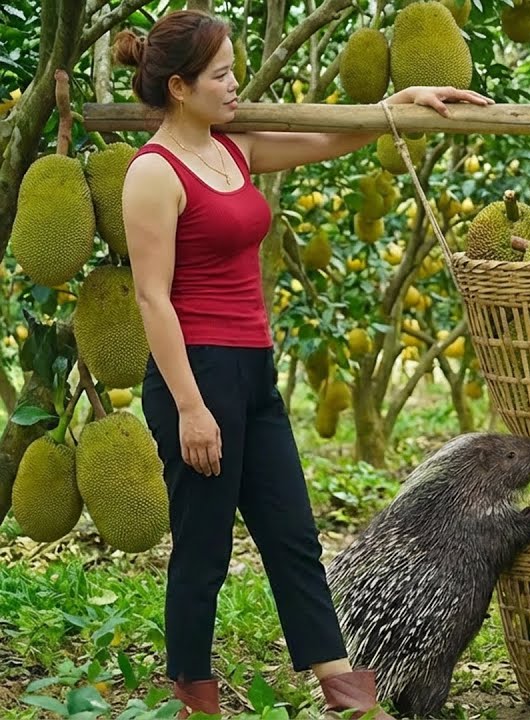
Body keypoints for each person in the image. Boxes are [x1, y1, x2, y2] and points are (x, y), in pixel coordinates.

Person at [113, 9, 492, 719]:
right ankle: (194, 695)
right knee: (204, 551)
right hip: (196, 372)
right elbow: (150, 297)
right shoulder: (152, 173)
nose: (236, 85)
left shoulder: (233, 151)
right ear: (178, 87)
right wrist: (191, 406)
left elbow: (326, 138)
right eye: (222, 74)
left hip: (254, 371)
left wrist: (397, 106)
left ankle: (348, 695)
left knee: (293, 537)